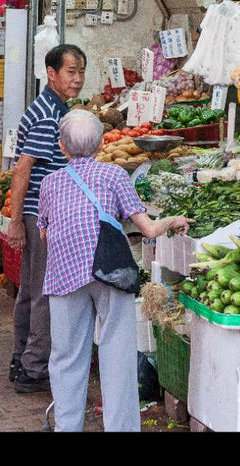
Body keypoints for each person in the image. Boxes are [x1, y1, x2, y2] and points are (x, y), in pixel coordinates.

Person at [38, 110, 190, 431]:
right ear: (98, 147)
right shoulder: (115, 175)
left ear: (62, 147)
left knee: (66, 357)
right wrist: (172, 221)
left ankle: (68, 426)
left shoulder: (50, 183)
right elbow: (147, 229)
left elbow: (44, 233)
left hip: (65, 275)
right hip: (111, 271)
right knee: (117, 355)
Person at [7, 44, 86, 394]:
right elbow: (22, 170)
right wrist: (16, 220)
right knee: (42, 292)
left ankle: (21, 358)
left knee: (29, 289)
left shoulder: (56, 108)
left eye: (81, 71)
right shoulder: (47, 115)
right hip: (40, 215)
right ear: (51, 74)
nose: (78, 79)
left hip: (37, 213)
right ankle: (34, 368)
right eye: (71, 71)